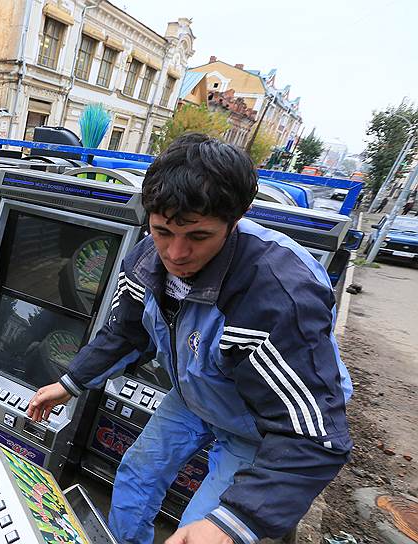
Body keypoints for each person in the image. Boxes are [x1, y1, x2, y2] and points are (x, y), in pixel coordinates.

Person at [29, 133, 352, 544]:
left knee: (202, 527)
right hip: (194, 392)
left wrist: (233, 522)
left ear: (236, 219)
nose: (175, 254)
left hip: (260, 421)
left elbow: (316, 435)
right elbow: (127, 331)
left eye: (198, 237)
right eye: (162, 231)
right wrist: (70, 381)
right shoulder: (145, 260)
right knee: (137, 475)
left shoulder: (279, 296)